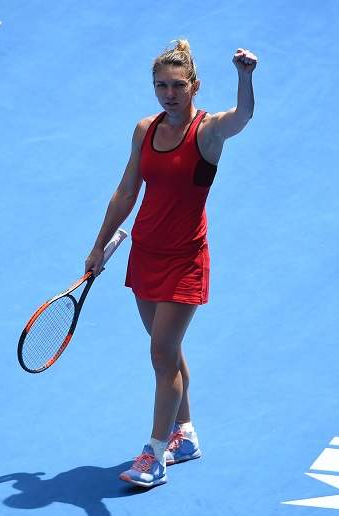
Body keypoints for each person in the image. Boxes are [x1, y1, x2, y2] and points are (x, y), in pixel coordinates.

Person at [85, 39, 257, 488]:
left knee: (161, 353)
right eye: (160, 85)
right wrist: (98, 246)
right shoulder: (144, 129)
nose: (168, 94)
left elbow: (243, 117)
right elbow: (126, 192)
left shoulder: (209, 131)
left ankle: (154, 454)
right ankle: (186, 435)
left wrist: (245, 78)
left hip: (185, 259)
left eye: (177, 85)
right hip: (145, 253)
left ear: (194, 86)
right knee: (168, 352)